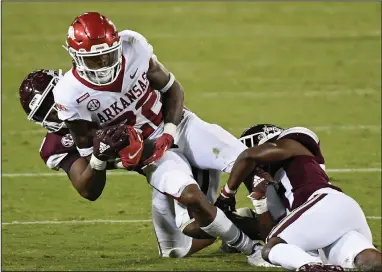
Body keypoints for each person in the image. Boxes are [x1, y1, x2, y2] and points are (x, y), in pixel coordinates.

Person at [52, 11, 259, 257]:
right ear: (76, 56)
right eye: (96, 59)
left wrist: (169, 133)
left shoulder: (133, 46)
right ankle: (251, 247)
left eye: (108, 55)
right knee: (188, 210)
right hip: (150, 153)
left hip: (179, 125)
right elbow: (91, 155)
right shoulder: (69, 93)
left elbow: (173, 89)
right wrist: (127, 158)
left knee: (247, 159)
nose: (104, 64)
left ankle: (283, 219)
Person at [19, 69, 269, 261]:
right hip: (155, 163)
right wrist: (99, 156)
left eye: (53, 99)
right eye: (45, 111)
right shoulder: (56, 144)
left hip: (177, 143)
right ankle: (239, 221)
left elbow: (162, 90)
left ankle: (270, 234)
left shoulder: (91, 95)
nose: (54, 111)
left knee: (193, 222)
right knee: (174, 250)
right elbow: (88, 189)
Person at [216, 124, 382, 271]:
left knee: (270, 249)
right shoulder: (276, 189)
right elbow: (273, 235)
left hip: (324, 202)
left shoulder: (292, 143)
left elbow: (248, 156)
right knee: (368, 260)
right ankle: (317, 263)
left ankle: (311, 266)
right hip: (335, 219)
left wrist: (226, 194)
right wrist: (259, 200)